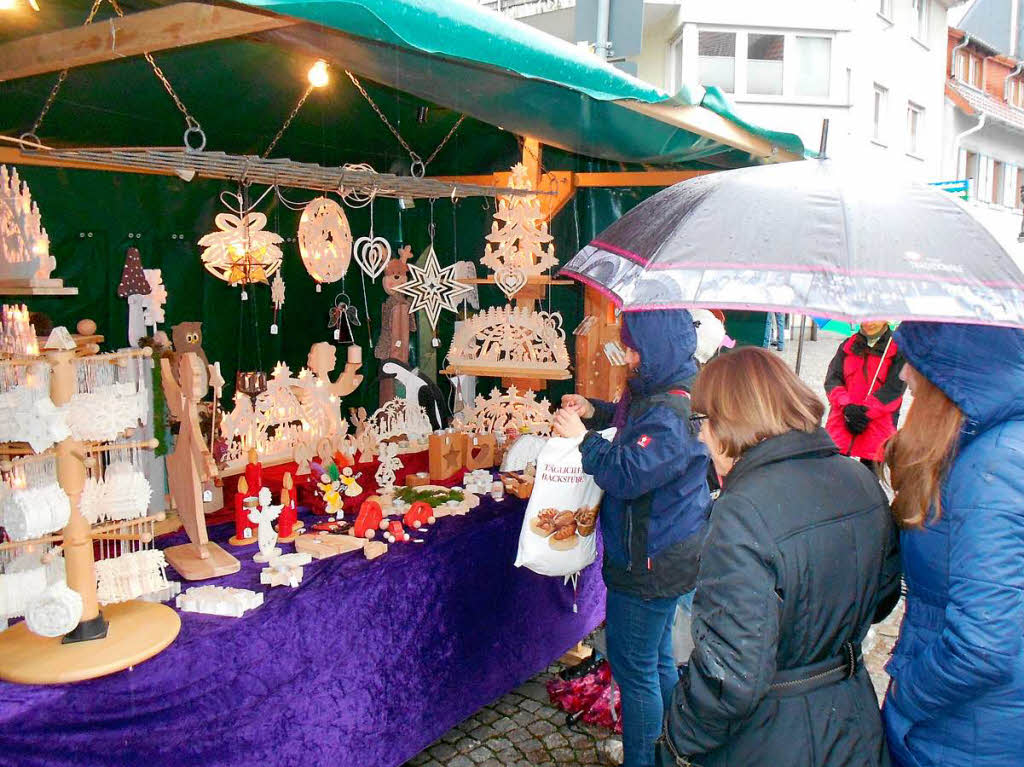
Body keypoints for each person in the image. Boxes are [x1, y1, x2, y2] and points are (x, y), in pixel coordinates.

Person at [663, 347, 900, 767]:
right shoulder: (860, 479)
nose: (700, 436)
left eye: (702, 422)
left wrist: (676, 739)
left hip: (771, 735)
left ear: (730, 419)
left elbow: (730, 677)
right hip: (853, 716)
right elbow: (881, 599)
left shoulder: (742, 511)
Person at [552, 309, 710, 767]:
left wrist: (585, 441)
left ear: (655, 350)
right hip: (665, 551)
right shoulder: (663, 393)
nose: (628, 356)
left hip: (650, 560)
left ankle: (644, 759)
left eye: (634, 347)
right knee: (657, 660)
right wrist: (595, 410)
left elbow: (626, 473)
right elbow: (634, 436)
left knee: (634, 669)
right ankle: (669, 749)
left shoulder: (669, 409)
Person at [882, 322, 1024, 767]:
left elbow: (981, 648)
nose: (905, 375)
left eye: (918, 362)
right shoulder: (986, 445)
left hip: (962, 733)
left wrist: (907, 693)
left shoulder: (991, 468)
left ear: (954, 373)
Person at [825, 320, 906, 470]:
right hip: (844, 418)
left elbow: (894, 389)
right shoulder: (847, 346)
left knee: (869, 482)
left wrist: (865, 413)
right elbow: (833, 380)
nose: (869, 323)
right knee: (834, 476)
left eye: (876, 317)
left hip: (877, 426)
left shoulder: (898, 349)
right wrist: (847, 408)